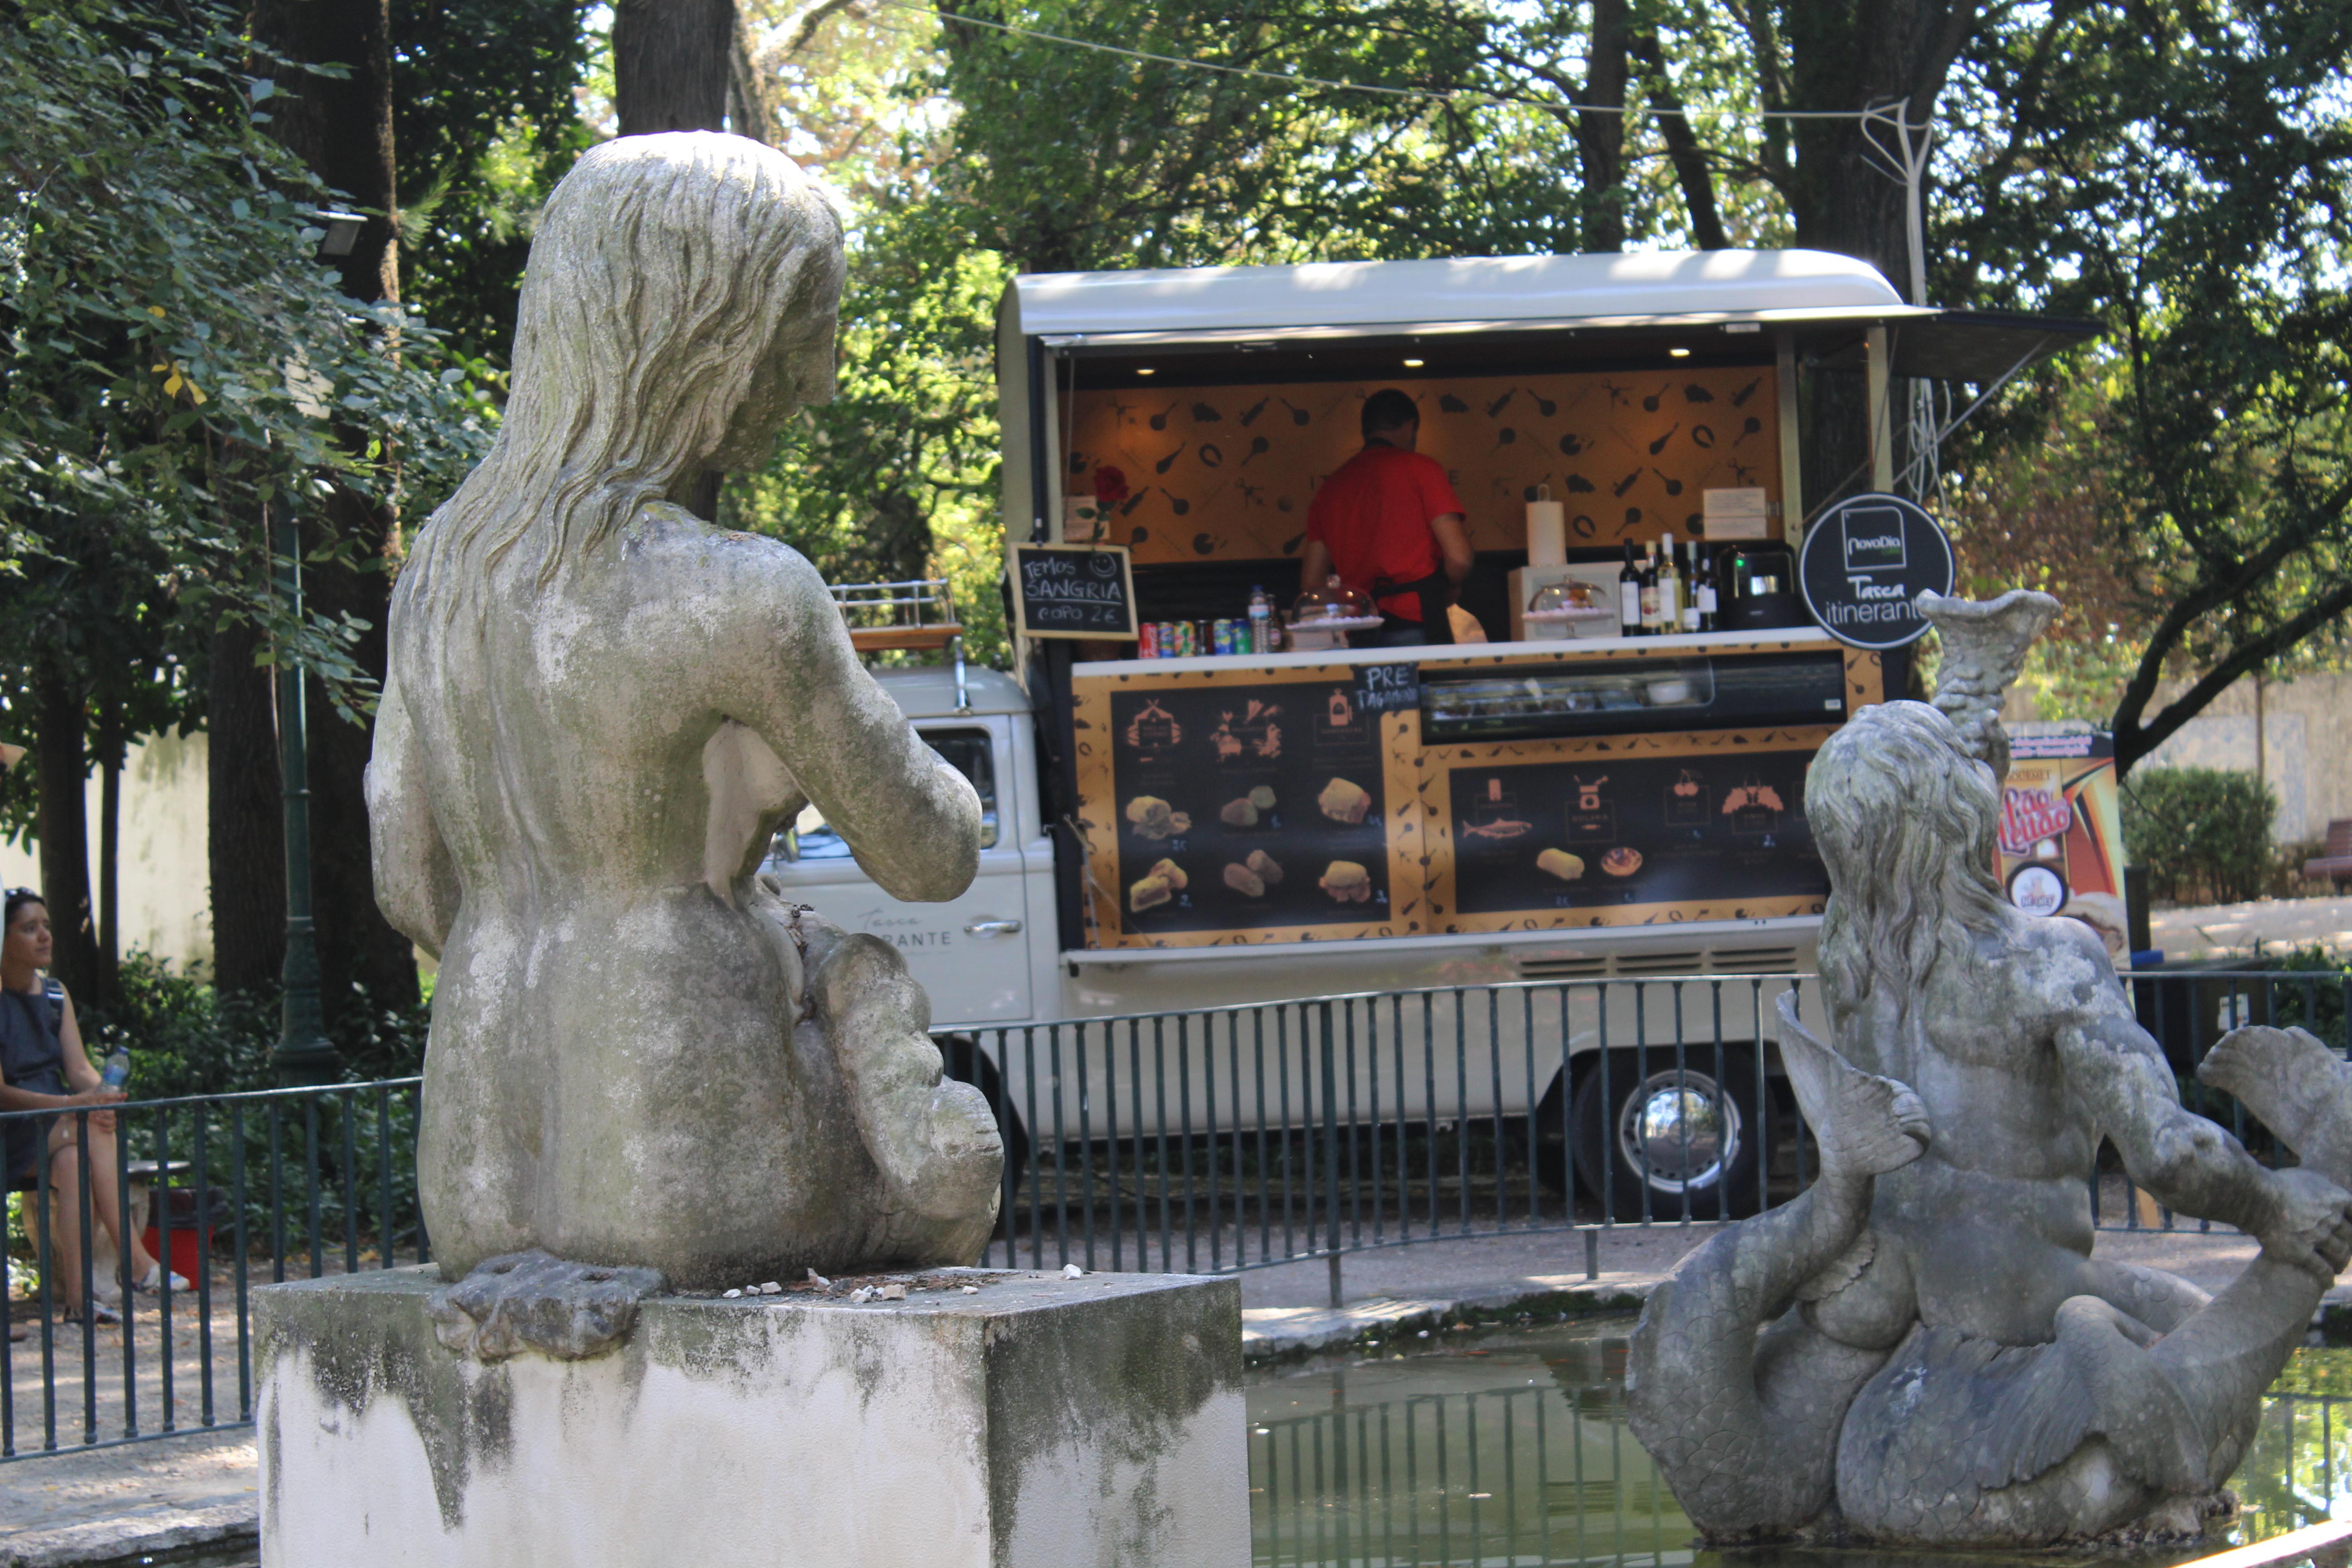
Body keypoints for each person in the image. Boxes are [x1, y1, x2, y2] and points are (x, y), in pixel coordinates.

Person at [0, 890, 187, 1328]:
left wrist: (102, 1096)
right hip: (13, 1126)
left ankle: (80, 1302)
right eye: (30, 928)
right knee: (90, 1130)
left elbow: (80, 1068)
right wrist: (74, 1105)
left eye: (46, 925)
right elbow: (1, 1092)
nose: (44, 936)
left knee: (75, 1161)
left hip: (61, 1125)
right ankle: (136, 1263)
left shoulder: (53, 993)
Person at [1299, 387, 1472, 647]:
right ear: (1411, 427)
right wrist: (1449, 589)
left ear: (1365, 431)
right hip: (1418, 620)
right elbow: (1459, 558)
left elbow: (1312, 585)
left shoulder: (1331, 489)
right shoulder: (1423, 470)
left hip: (1361, 627)